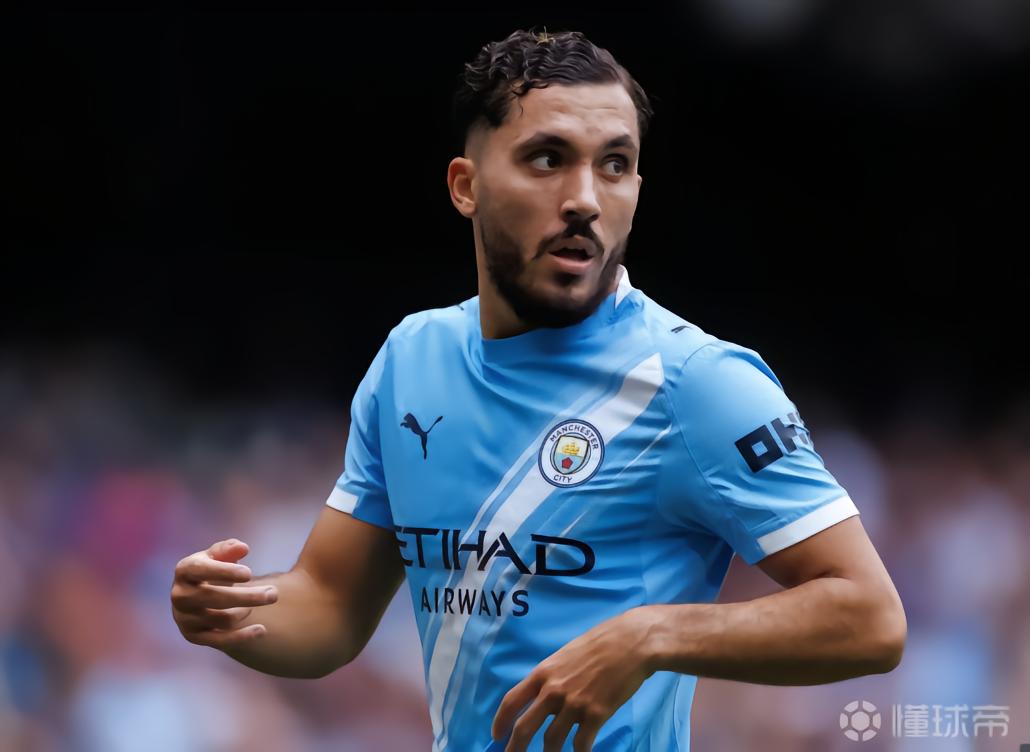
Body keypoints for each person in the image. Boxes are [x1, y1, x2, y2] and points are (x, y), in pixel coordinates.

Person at [171, 28, 906, 752]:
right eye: (548, 159)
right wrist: (230, 613)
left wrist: (650, 635)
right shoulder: (411, 360)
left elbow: (870, 617)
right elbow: (330, 609)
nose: (584, 198)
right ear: (466, 186)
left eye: (614, 165)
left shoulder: (696, 382)